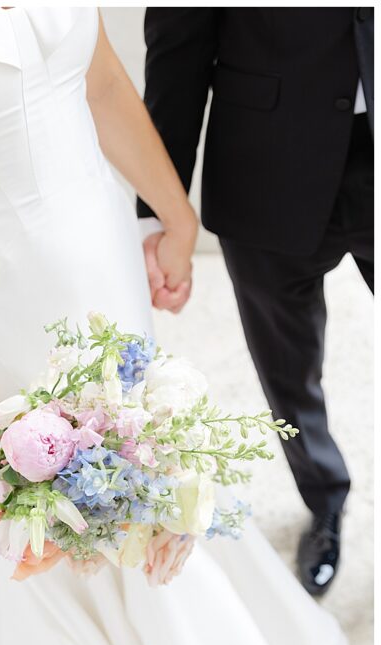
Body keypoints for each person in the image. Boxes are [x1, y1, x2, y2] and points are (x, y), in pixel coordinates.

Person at [0, 7, 347, 645]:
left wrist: (175, 211)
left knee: (146, 450)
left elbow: (100, 82)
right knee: (54, 495)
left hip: (101, 244)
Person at [138, 7, 374, 595]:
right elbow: (178, 49)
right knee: (287, 371)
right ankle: (323, 499)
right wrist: (159, 214)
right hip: (267, 166)